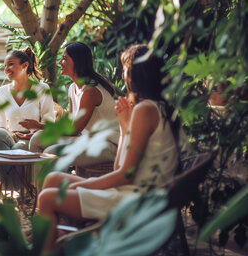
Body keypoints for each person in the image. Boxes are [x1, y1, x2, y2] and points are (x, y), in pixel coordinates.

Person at [37, 44, 180, 253]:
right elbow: (119, 166)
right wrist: (123, 127)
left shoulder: (145, 109)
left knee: (47, 197)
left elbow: (125, 175)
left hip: (137, 198)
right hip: (134, 189)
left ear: (134, 73)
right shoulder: (159, 107)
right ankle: (64, 236)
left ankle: (51, 244)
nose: (122, 74)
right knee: (53, 180)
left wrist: (83, 186)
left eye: (124, 68)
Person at [39, 42, 119, 166]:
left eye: (64, 58)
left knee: (51, 152)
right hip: (89, 139)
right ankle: (34, 185)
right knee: (36, 140)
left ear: (77, 61)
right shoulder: (72, 88)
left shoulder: (90, 91)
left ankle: (52, 184)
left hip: (108, 145)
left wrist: (41, 126)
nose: (60, 62)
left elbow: (73, 130)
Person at [0, 47, 55, 153]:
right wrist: (12, 135)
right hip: (10, 137)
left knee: (18, 148)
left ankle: (5, 169)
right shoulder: (1, 92)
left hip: (32, 139)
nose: (6, 70)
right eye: (5, 66)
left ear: (25, 65)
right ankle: (5, 167)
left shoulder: (42, 89)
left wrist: (35, 132)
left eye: (10, 64)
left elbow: (49, 122)